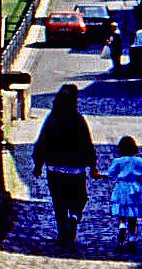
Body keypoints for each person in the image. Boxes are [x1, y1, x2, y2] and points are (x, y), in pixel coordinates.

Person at [31, 84, 102, 247]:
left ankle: (63, 232)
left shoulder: (52, 119)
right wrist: (92, 166)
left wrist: (38, 164)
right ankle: (74, 218)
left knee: (59, 202)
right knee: (80, 198)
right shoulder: (78, 119)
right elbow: (87, 144)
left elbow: (43, 141)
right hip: (75, 169)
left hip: (54, 168)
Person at [105, 135, 142, 248]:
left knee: (121, 208)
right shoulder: (139, 161)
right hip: (135, 187)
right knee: (133, 212)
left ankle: (122, 225)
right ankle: (132, 237)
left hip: (121, 187)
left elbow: (110, 173)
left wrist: (97, 174)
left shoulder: (118, 161)